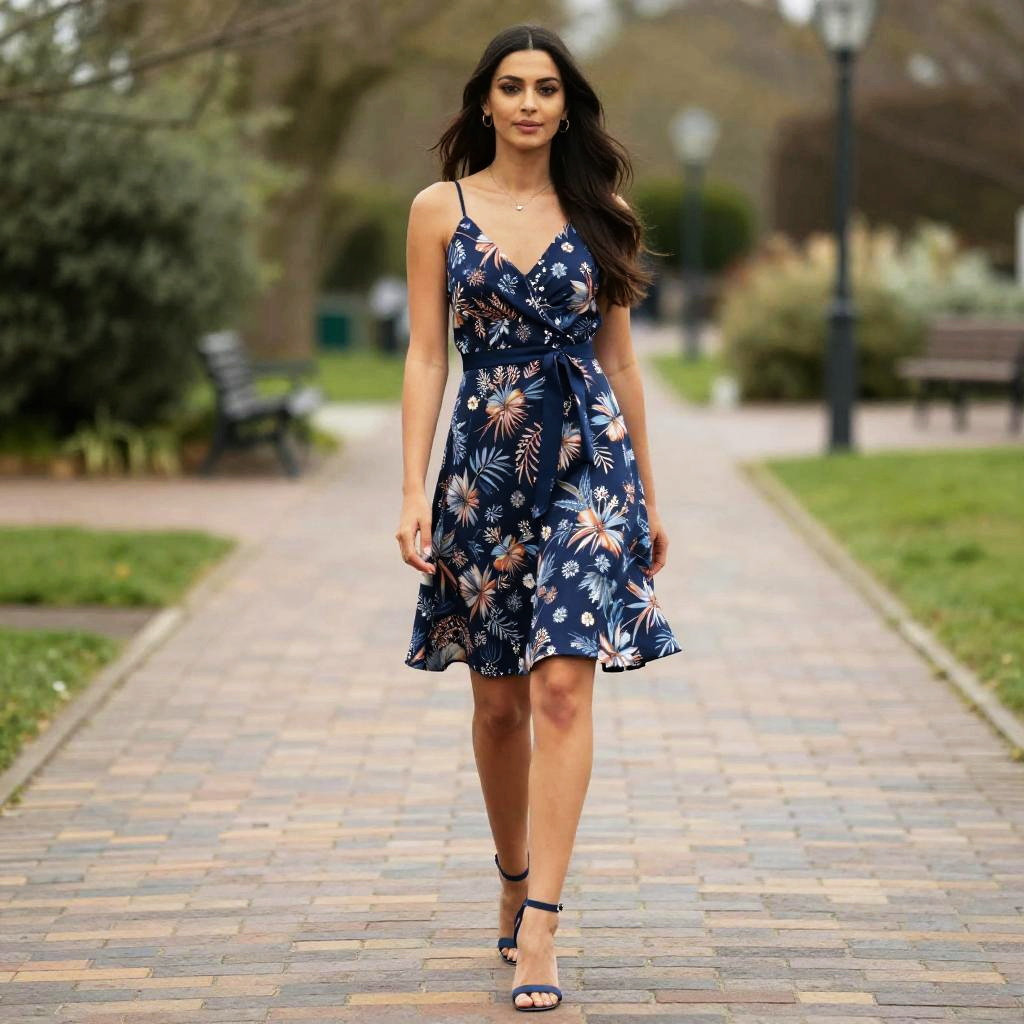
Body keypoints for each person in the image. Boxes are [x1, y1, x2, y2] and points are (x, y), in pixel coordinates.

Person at [395, 22, 683, 1013]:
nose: (527, 102)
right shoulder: (440, 209)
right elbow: (426, 355)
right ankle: (512, 873)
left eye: (546, 87)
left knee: (564, 686)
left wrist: (645, 492)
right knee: (498, 703)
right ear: (485, 101)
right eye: (511, 86)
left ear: (567, 104)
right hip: (483, 467)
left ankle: (545, 928)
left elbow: (622, 362)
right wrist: (409, 489)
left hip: (585, 466)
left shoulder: (602, 210)